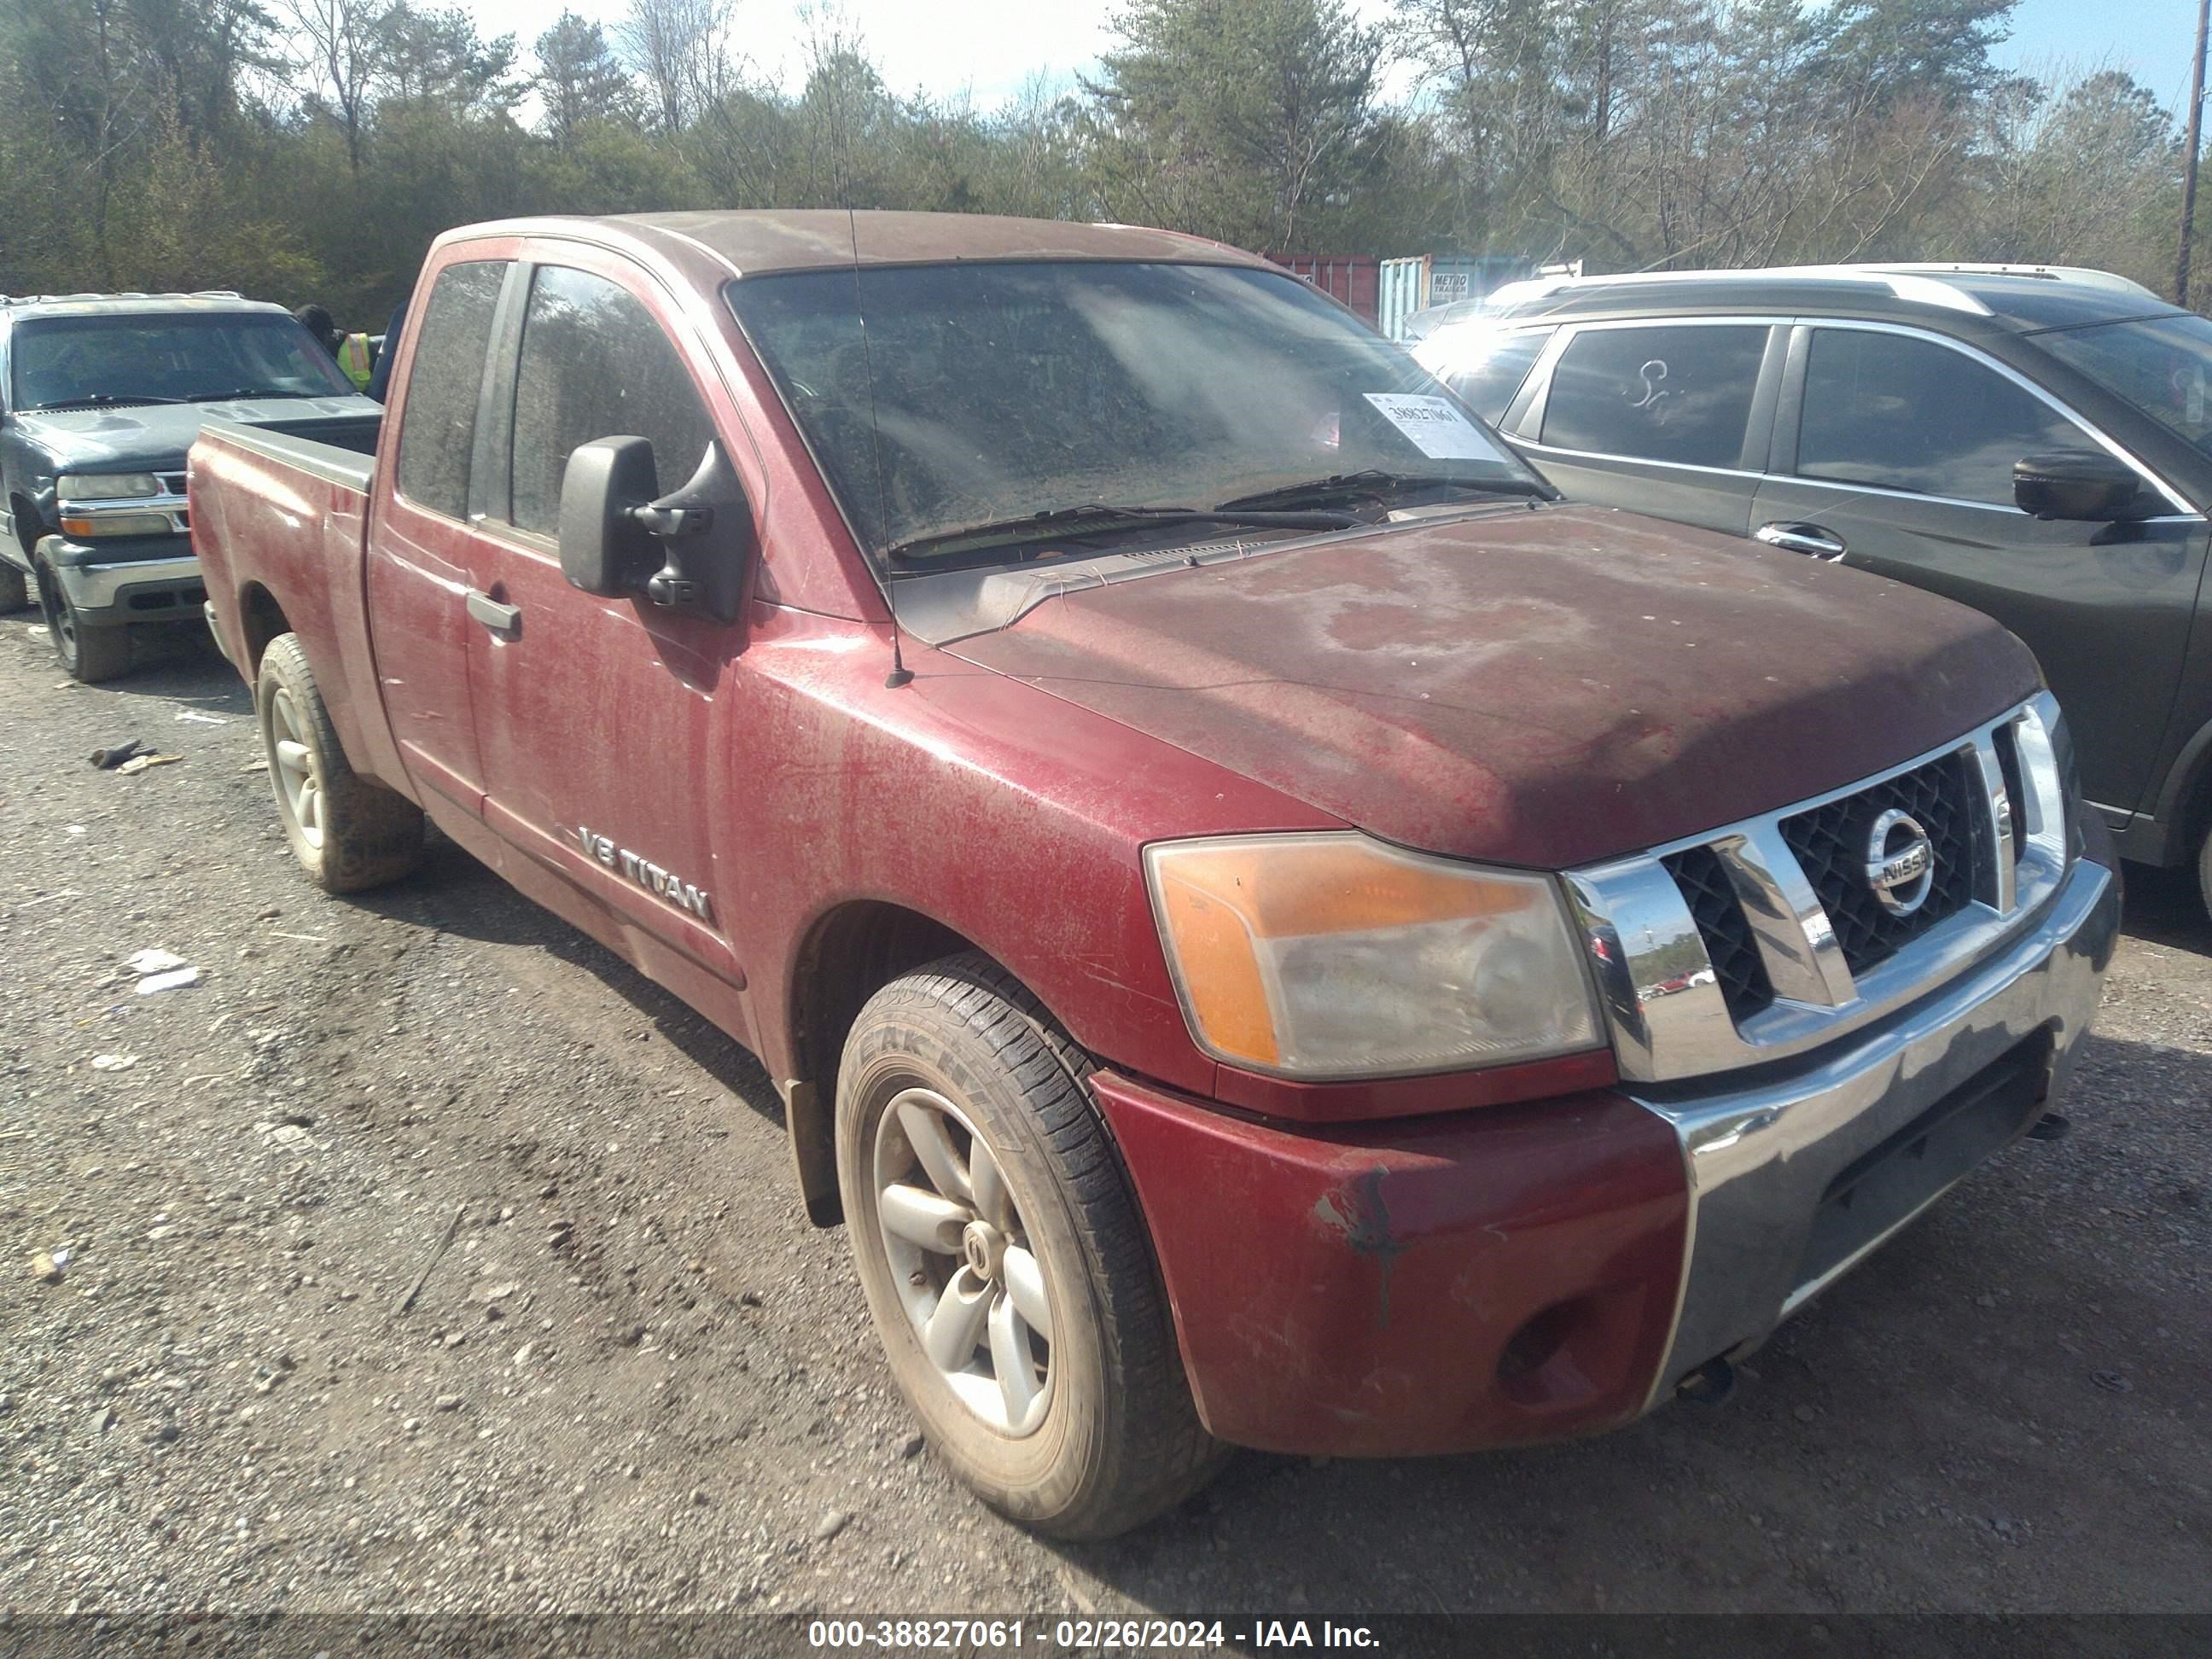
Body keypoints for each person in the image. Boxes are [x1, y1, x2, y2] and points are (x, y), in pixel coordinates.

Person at [294, 302, 374, 393]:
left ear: (328, 334)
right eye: (301, 342)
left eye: (314, 342)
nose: (309, 348)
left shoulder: (359, 347)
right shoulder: (294, 360)